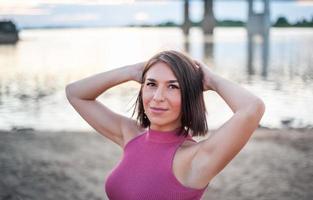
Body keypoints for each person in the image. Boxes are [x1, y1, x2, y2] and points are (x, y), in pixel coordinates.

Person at [65, 50, 265, 200]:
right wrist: (131, 70)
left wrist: (211, 80)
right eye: (151, 84)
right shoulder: (130, 134)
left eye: (173, 86)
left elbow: (252, 108)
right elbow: (75, 93)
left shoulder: (196, 158)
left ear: (189, 95)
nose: (158, 97)